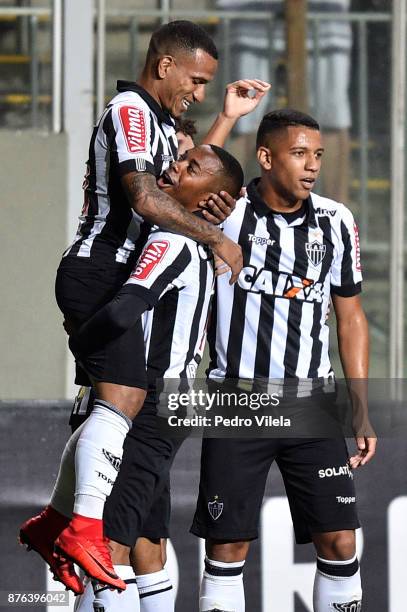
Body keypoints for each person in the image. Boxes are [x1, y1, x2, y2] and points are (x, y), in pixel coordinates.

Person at [19, 18, 269, 591]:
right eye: (198, 81)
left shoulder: (160, 122)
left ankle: (59, 520)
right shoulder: (130, 112)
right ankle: (79, 525)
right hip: (100, 266)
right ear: (165, 66)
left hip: (116, 279)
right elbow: (149, 195)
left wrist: (228, 118)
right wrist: (215, 236)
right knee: (126, 400)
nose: (200, 94)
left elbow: (197, 174)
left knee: (117, 406)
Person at [21, 144, 245, 610]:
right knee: (147, 546)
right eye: (178, 158)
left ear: (210, 200)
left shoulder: (172, 240)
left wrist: (82, 341)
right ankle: (53, 525)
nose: (173, 166)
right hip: (175, 403)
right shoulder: (197, 241)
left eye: (189, 168)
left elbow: (127, 309)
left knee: (107, 548)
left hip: (148, 407)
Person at [190, 109, 377, 612]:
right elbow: (191, 170)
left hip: (311, 404)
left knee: (339, 542)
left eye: (317, 154)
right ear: (266, 157)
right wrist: (228, 115)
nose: (311, 165)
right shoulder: (224, 213)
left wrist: (358, 403)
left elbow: (351, 317)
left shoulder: (336, 221)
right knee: (228, 548)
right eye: (299, 154)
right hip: (238, 400)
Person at [216, 0, 352, 202]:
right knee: (242, 119)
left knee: (332, 118)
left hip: (324, 17)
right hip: (249, 17)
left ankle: (338, 217)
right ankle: (227, 206)